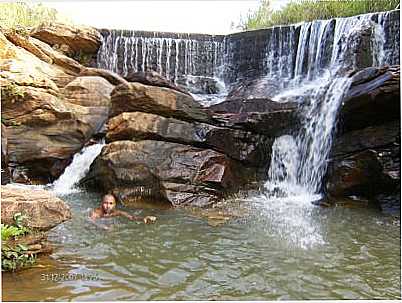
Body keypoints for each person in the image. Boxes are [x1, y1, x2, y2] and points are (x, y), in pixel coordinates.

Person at [89, 194, 156, 224]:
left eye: (110, 203)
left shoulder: (116, 212)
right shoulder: (97, 213)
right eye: (105, 203)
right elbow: (92, 222)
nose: (108, 206)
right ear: (102, 204)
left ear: (114, 205)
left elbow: (131, 217)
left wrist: (143, 218)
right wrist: (103, 227)